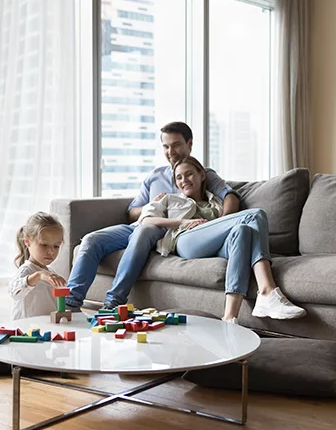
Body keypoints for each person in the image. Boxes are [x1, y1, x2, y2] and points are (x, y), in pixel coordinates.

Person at [64, 121, 240, 310]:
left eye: (176, 145)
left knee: (145, 230)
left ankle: (114, 301)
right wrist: (151, 205)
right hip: (141, 223)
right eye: (166, 146)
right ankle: (71, 303)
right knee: (92, 240)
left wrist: (219, 225)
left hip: (167, 231)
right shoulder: (155, 176)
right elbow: (132, 212)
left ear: (189, 144)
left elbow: (230, 196)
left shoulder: (200, 173)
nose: (170, 151)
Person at [139, 156, 306, 323]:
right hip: (185, 240)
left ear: (202, 175)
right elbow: (146, 220)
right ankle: (267, 291)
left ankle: (229, 318)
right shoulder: (169, 198)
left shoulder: (217, 202)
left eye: (189, 174)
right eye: (179, 177)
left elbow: (225, 224)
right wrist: (182, 221)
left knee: (243, 231)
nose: (184, 180)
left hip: (214, 244)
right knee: (255, 215)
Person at [9, 212, 68, 320]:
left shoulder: (51, 273)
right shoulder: (26, 270)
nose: (51, 251)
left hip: (45, 329)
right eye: (44, 244)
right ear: (27, 241)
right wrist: (38, 276)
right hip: (26, 330)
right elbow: (14, 292)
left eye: (56, 246)